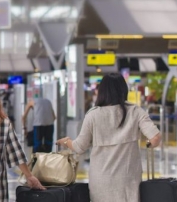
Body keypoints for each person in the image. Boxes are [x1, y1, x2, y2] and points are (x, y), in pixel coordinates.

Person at [57, 73, 161, 202]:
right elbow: (155, 138)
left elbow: (79, 147)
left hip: (101, 181)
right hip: (128, 181)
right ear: (124, 90)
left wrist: (66, 141)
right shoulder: (135, 111)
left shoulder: (93, 115)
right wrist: (149, 144)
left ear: (102, 91)